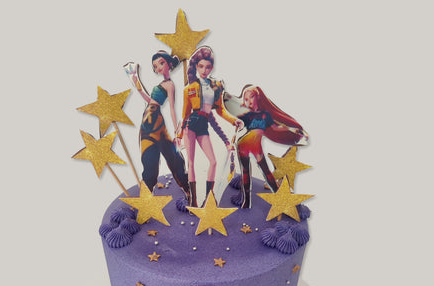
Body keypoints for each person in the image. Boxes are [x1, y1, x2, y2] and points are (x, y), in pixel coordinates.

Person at [179, 46, 243, 206]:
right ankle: (193, 202)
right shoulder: (189, 89)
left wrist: (233, 120)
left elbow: (221, 111)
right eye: (201, 66)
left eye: (207, 67)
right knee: (191, 163)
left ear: (212, 67)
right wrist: (179, 135)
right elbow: (185, 114)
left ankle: (208, 200)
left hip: (203, 126)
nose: (204, 70)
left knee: (213, 161)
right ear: (196, 66)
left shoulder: (216, 86)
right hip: (190, 126)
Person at [226, 85, 308, 208]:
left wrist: (292, 129)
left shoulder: (265, 115)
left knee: (266, 172)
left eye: (251, 97)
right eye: (246, 99)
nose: (248, 101)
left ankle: (280, 198)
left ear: (258, 97)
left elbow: (276, 127)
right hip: (243, 145)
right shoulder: (247, 115)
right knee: (245, 172)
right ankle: (246, 202)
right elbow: (235, 115)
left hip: (256, 146)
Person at [124, 52, 190, 199]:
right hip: (147, 120)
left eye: (161, 63)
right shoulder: (160, 85)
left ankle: (187, 189)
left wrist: (177, 131)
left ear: (169, 63)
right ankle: (146, 197)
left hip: (156, 120)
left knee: (172, 156)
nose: (158, 68)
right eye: (155, 66)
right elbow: (150, 101)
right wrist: (138, 86)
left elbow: (172, 108)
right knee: (149, 157)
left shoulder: (170, 85)